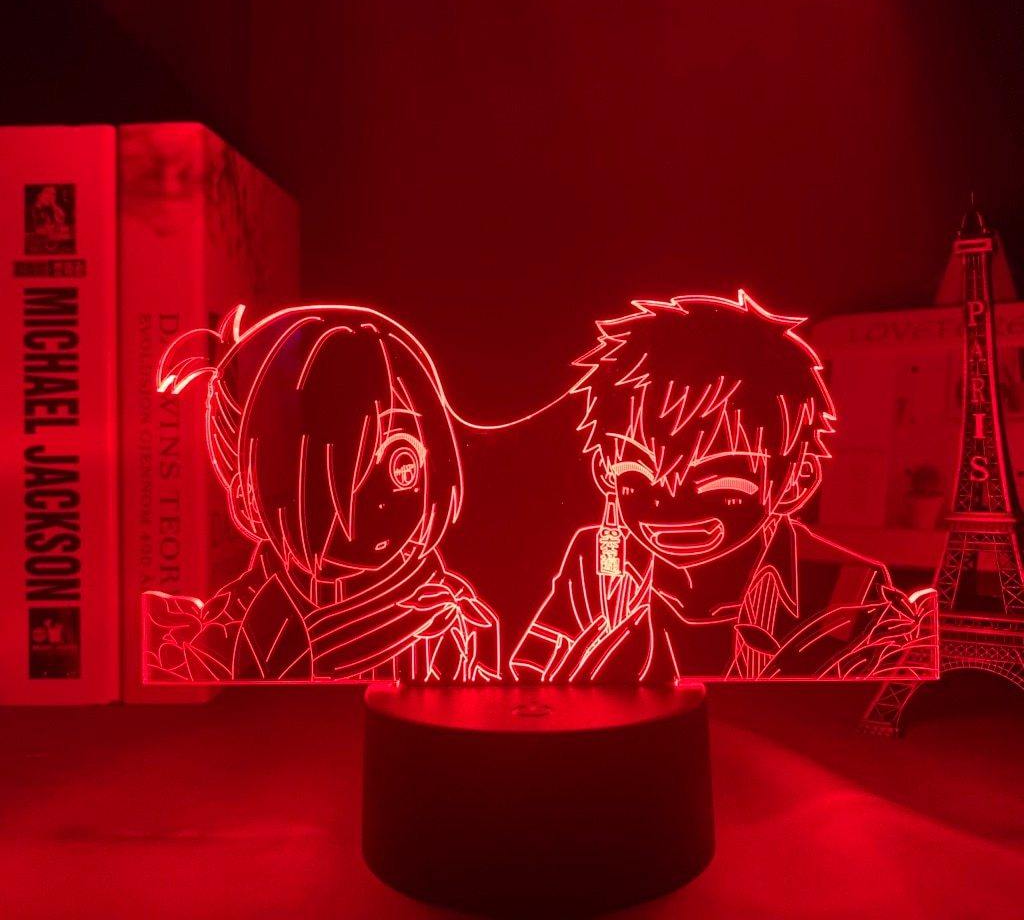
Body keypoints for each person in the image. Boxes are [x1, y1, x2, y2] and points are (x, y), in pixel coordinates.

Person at [509, 292, 936, 683]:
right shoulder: (602, 556)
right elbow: (534, 672)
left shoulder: (848, 584)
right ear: (606, 473)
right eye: (636, 479)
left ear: (796, 481)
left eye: (724, 485)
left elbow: (838, 709)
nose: (670, 508)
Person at [143, 304, 500, 683]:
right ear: (251, 497)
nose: (382, 502)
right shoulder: (262, 612)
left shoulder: (442, 612)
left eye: (403, 461)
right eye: (340, 476)